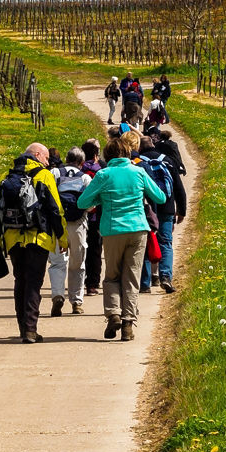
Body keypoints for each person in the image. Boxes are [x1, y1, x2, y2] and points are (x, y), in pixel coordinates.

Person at [75, 135, 167, 341]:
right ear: (127, 153)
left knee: (112, 276)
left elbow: (82, 202)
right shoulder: (139, 172)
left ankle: (113, 313)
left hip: (113, 230)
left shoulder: (104, 175)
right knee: (132, 278)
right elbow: (160, 197)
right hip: (138, 230)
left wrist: (100, 198)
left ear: (107, 155)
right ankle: (128, 324)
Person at [0, 142, 65, 343]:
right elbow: (55, 209)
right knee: (34, 284)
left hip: (13, 239)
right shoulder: (44, 176)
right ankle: (31, 329)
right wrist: (62, 238)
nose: (48, 162)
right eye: (46, 158)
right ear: (37, 155)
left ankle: (23, 328)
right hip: (39, 238)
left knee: (20, 281)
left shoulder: (6, 177)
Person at [137, 133, 184, 294]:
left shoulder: (138, 164)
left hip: (146, 209)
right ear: (153, 145)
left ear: (139, 148)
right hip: (167, 208)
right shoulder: (168, 161)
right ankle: (165, 276)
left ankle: (144, 283)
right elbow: (178, 188)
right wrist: (181, 211)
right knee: (165, 243)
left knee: (145, 243)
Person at [50, 147, 92, 315]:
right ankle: (76, 301)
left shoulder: (54, 173)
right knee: (78, 263)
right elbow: (90, 204)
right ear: (82, 162)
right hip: (78, 224)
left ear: (66, 158)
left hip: (57, 223)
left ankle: (57, 295)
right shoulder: (85, 178)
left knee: (57, 262)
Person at [81, 138, 103, 294]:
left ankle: (79, 280)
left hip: (80, 215)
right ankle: (92, 284)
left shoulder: (78, 170)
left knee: (80, 249)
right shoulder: (101, 170)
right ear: (96, 155)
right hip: (97, 216)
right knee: (95, 250)